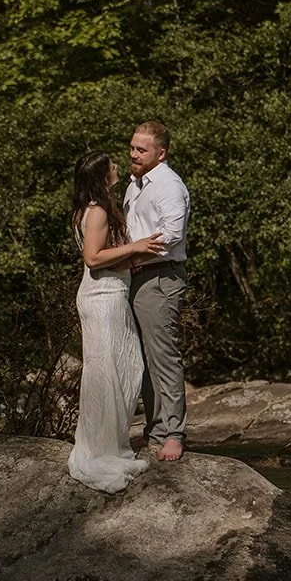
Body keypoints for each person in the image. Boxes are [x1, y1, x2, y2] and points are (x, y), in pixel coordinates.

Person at [68, 152, 165, 493]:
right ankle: (102, 448)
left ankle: (110, 440)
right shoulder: (95, 211)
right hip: (101, 298)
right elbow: (93, 258)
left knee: (122, 368)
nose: (118, 168)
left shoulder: (99, 207)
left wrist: (135, 257)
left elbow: (109, 255)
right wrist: (135, 247)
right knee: (108, 370)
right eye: (112, 166)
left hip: (112, 294)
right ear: (101, 174)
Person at [124, 120, 191, 462]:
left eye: (141, 150)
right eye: (132, 147)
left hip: (161, 277)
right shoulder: (134, 185)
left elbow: (172, 234)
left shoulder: (167, 184)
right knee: (145, 360)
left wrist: (134, 251)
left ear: (160, 153)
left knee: (163, 356)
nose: (133, 154)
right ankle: (154, 431)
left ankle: (174, 434)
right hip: (136, 277)